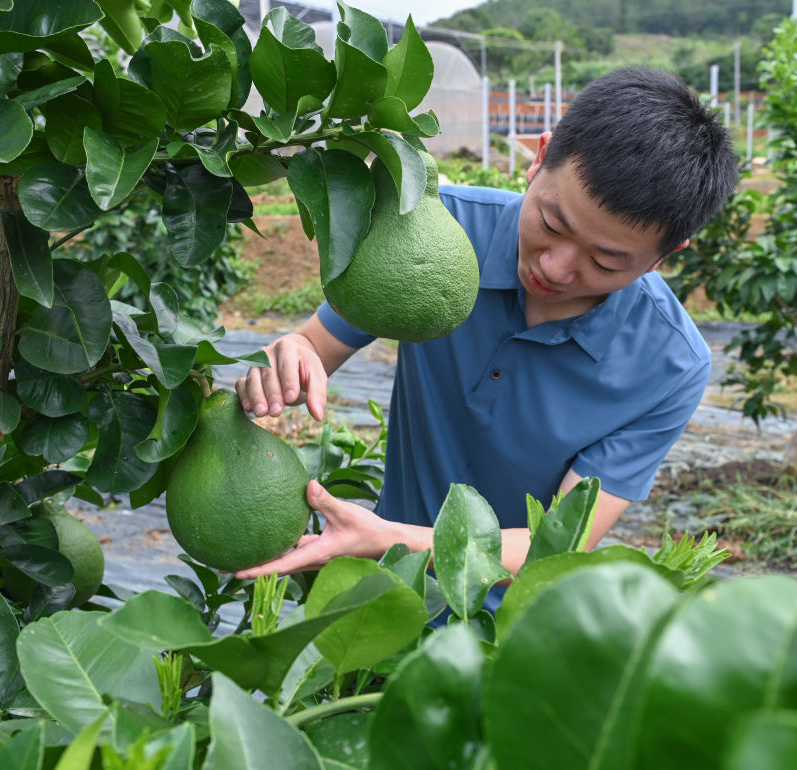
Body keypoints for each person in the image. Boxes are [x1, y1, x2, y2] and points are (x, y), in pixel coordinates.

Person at [232, 66, 739, 596]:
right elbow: (312, 345)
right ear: (539, 158)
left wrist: (391, 540)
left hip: (511, 625)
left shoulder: (670, 366)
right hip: (384, 602)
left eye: (604, 262)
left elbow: (559, 543)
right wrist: (289, 357)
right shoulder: (435, 233)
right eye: (551, 224)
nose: (556, 268)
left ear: (663, 257)